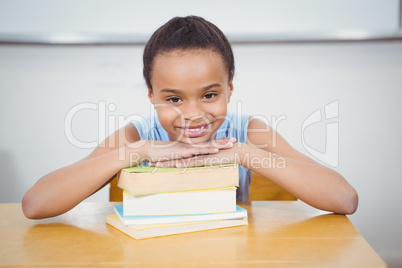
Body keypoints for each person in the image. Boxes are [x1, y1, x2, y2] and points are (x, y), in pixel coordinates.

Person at [22, 16, 358, 219]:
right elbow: (36, 203)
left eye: (210, 95)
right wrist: (137, 152)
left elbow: (343, 198)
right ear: (151, 96)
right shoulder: (137, 135)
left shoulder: (248, 131)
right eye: (173, 99)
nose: (193, 114)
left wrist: (242, 153)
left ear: (229, 88)